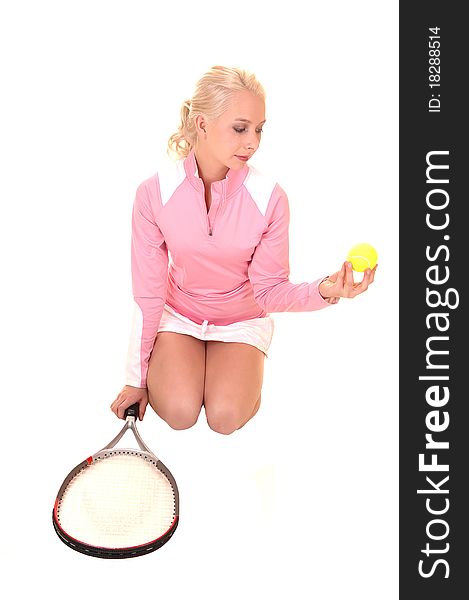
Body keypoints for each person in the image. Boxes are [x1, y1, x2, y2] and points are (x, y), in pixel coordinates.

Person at [110, 65, 377, 434]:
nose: (253, 142)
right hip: (180, 314)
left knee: (225, 417)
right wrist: (136, 378)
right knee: (178, 412)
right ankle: (189, 365)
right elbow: (148, 294)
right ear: (202, 125)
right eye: (240, 128)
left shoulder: (269, 198)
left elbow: (269, 290)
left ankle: (234, 370)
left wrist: (325, 290)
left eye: (259, 129)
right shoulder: (154, 193)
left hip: (241, 319)